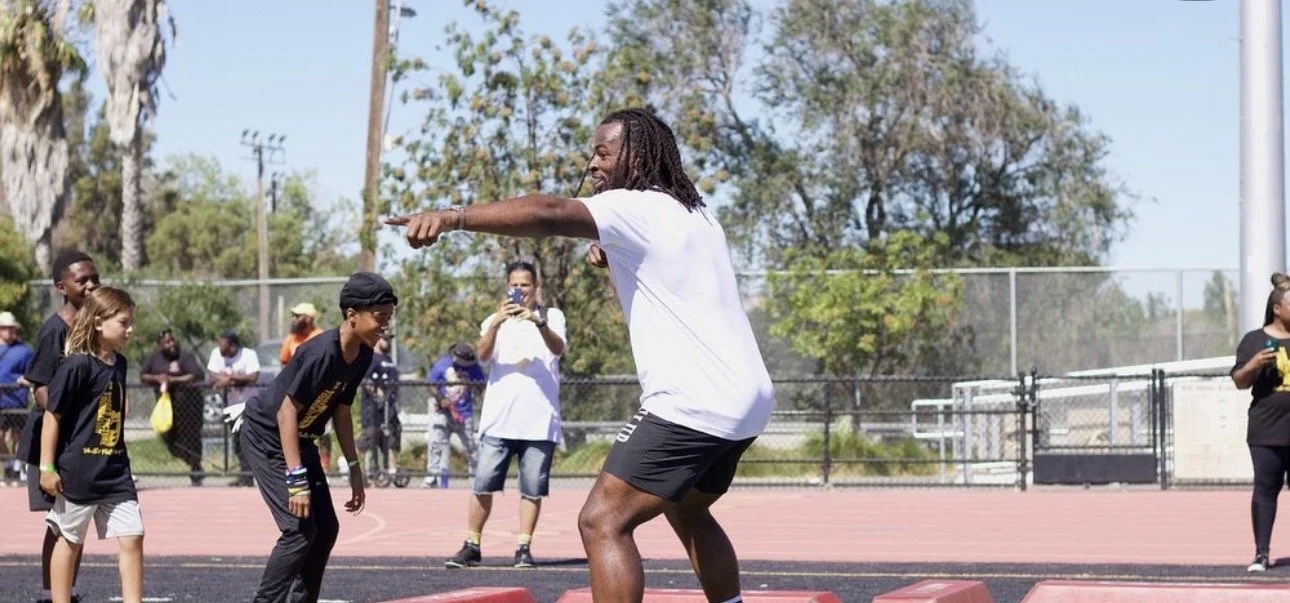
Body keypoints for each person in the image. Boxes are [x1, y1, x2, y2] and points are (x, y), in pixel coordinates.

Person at [387, 107, 774, 602]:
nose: (592, 164)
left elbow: (548, 213)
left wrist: (452, 217)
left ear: (635, 158)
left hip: (694, 402)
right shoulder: (695, 213)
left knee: (601, 521)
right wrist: (618, 256)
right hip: (748, 398)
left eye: (603, 153)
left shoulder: (633, 205)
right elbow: (670, 281)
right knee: (688, 509)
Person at [238, 272, 397, 602]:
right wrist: (296, 479)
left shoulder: (364, 354)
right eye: (380, 317)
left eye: (389, 318)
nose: (385, 326)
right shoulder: (321, 352)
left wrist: (355, 468)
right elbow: (285, 413)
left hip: (302, 437)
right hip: (267, 435)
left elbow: (341, 411)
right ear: (352, 314)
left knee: (325, 530)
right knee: (298, 532)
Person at [440, 262, 565, 569]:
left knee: (532, 489)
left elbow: (558, 348)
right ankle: (472, 544)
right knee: (482, 484)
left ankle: (523, 547)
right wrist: (497, 322)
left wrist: (537, 322)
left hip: (539, 421)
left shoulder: (552, 317)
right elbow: (482, 355)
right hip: (499, 420)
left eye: (525, 284)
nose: (520, 290)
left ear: (536, 287)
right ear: (506, 286)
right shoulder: (493, 321)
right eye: (514, 284)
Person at [38, 287, 143, 603]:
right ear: (99, 322)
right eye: (124, 322)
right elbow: (52, 416)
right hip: (80, 472)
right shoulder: (77, 365)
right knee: (69, 539)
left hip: (115, 471)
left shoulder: (120, 364)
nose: (130, 329)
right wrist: (47, 468)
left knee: (133, 536)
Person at [21, 249, 99, 603]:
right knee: (59, 520)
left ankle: (68, 590)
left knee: (75, 519)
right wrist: (64, 419)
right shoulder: (55, 330)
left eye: (94, 278)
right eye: (81, 280)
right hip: (52, 440)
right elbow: (41, 389)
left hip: (82, 440)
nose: (91, 285)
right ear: (62, 287)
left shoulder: (95, 327)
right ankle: (49, 592)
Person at [1231, 272, 1290, 573]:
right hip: (1267, 431)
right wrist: (1253, 364)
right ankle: (1261, 554)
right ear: (1278, 308)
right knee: (1266, 490)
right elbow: (1239, 381)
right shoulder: (1254, 340)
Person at [138, 329, 206, 486]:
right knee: (170, 440)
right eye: (167, 342)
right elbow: (143, 375)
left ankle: (196, 469)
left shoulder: (185, 355)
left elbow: (195, 374)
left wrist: (173, 380)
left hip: (189, 408)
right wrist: (157, 378)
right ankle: (189, 461)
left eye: (172, 341)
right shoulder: (153, 358)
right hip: (167, 408)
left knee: (192, 439)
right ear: (160, 345)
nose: (171, 344)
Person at [424, 342, 484, 489]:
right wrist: (440, 398)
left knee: (472, 446)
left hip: (464, 413)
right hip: (443, 412)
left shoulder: (474, 368)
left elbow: (481, 386)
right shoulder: (443, 364)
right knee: (436, 444)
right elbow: (430, 384)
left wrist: (478, 390)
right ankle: (433, 477)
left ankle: (477, 478)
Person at [206, 330, 261, 486]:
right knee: (237, 441)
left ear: (232, 345)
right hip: (231, 406)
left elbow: (253, 376)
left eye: (222, 344)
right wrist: (227, 380)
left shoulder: (248, 355)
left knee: (250, 440)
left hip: (249, 405)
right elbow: (211, 375)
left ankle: (250, 475)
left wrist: (228, 379)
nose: (219, 347)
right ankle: (245, 476)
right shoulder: (217, 354)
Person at [280, 302, 330, 471]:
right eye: (293, 316)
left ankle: (324, 467)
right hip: (296, 395)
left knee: (323, 433)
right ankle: (295, 465)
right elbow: (284, 362)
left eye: (298, 316)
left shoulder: (319, 336)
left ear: (309, 318)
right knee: (294, 430)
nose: (294, 320)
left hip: (318, 394)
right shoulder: (291, 339)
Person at [358, 335, 400, 481]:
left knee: (392, 438)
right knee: (370, 438)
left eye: (389, 339)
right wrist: (379, 394)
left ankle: (392, 470)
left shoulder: (389, 361)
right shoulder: (371, 358)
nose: (387, 342)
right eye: (385, 339)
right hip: (373, 409)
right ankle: (357, 467)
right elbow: (366, 381)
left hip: (390, 408)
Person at [0, 311, 34, 481]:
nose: (8, 331)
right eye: (4, 328)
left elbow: (33, 373)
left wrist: (25, 379)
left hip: (16, 401)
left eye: (11, 328)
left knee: (17, 436)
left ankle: (17, 467)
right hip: (1, 402)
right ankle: (8, 464)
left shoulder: (24, 351)